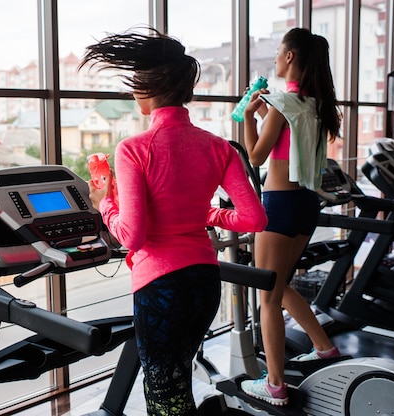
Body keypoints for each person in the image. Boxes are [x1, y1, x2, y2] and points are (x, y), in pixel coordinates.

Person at [78, 28, 268, 416]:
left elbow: (132, 236)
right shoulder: (218, 147)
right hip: (204, 282)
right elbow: (254, 218)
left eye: (135, 86)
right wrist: (206, 213)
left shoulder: (134, 149)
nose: (133, 95)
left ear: (149, 89)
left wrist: (104, 205)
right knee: (179, 379)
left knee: (165, 394)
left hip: (161, 287)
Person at [239, 27, 342, 406]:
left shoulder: (283, 103)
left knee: (267, 295)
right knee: (280, 285)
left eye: (280, 52)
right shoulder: (316, 104)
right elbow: (288, 142)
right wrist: (270, 115)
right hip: (305, 206)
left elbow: (255, 157)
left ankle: (275, 385)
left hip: (279, 205)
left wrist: (250, 116)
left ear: (290, 58)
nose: (278, 58)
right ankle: (323, 347)